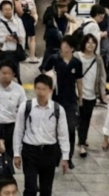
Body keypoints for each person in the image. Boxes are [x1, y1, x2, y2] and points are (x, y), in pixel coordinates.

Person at [13, 74, 70, 196]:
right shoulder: (26, 107)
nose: (40, 92)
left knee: (46, 190)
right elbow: (18, 131)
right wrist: (16, 153)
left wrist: (65, 157)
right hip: (30, 151)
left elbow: (63, 135)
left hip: (49, 152)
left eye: (44, 89)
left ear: (50, 90)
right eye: (38, 88)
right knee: (31, 188)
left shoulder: (58, 109)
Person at [40, 36, 82, 168]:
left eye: (67, 46)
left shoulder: (76, 63)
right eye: (63, 45)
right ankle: (56, 155)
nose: (64, 48)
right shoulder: (54, 59)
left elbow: (79, 81)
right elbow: (43, 72)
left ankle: (68, 157)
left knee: (70, 128)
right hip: (55, 99)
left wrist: (80, 97)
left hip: (70, 100)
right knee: (55, 128)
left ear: (72, 48)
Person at [75, 34, 106, 158]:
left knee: (86, 119)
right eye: (88, 42)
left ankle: (82, 140)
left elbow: (102, 76)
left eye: (93, 43)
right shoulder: (77, 57)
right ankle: (82, 141)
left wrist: (102, 93)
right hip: (77, 94)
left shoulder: (98, 59)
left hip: (91, 95)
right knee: (79, 119)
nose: (91, 45)